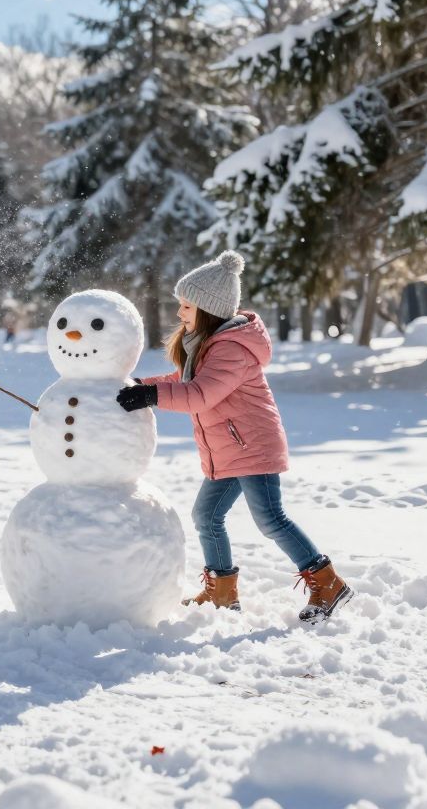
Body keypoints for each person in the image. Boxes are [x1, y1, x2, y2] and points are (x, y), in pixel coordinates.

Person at [116, 251, 352, 624]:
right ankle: (222, 593)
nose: (180, 314)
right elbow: (187, 383)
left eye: (186, 306)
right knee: (207, 515)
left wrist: (150, 397)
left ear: (208, 308)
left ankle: (327, 583)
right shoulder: (209, 344)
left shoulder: (232, 349)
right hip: (231, 447)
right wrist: (140, 385)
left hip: (252, 446)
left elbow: (201, 395)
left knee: (270, 519)